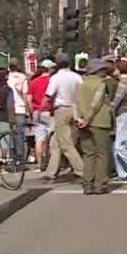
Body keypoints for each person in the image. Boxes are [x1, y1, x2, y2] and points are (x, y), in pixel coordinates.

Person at [75, 58, 115, 195]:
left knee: (88, 153)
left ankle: (87, 183)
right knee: (102, 154)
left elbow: (74, 103)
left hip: (82, 122)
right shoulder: (101, 84)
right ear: (98, 71)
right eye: (103, 69)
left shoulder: (81, 84)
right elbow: (96, 103)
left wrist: (79, 119)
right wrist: (87, 118)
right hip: (99, 121)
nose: (105, 72)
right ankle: (100, 184)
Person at [43, 53, 84, 183]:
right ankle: (51, 172)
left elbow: (49, 95)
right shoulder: (77, 77)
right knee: (55, 143)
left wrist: (40, 108)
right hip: (75, 108)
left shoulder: (56, 78)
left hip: (62, 109)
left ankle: (81, 171)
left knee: (66, 144)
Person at [110, 59, 127, 183]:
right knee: (118, 146)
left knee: (120, 146)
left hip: (124, 114)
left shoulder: (123, 83)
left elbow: (115, 102)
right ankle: (122, 174)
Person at [28, 60, 54, 169]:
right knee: (51, 139)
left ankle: (39, 165)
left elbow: (28, 99)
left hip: (37, 112)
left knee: (38, 139)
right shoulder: (52, 81)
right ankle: (50, 163)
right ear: (50, 69)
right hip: (50, 112)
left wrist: (31, 111)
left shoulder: (34, 82)